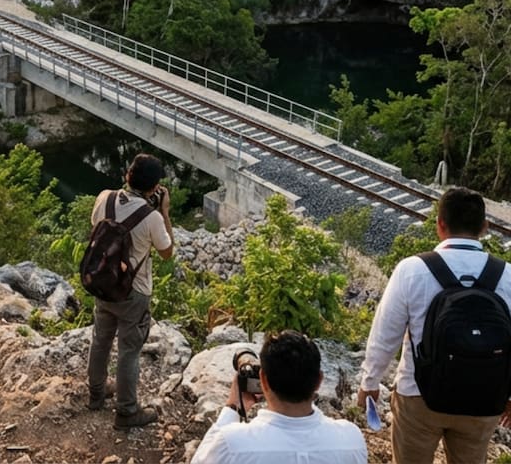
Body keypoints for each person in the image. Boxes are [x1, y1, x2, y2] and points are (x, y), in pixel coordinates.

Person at [358, 186, 511, 463]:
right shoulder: (507, 275)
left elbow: (386, 333)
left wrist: (370, 382)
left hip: (419, 396)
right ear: (485, 227)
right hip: (483, 398)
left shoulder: (412, 269)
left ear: (440, 225)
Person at [86, 152, 174, 428]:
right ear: (153, 188)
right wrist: (164, 212)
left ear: (127, 175)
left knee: (100, 339)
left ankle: (97, 394)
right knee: (129, 351)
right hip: (134, 293)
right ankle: (126, 412)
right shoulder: (152, 218)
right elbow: (166, 252)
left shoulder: (104, 198)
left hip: (103, 284)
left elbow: (96, 227)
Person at [191, 331, 367, 463]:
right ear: (319, 380)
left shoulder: (231, 445)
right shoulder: (351, 439)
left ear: (263, 380)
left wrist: (233, 407)